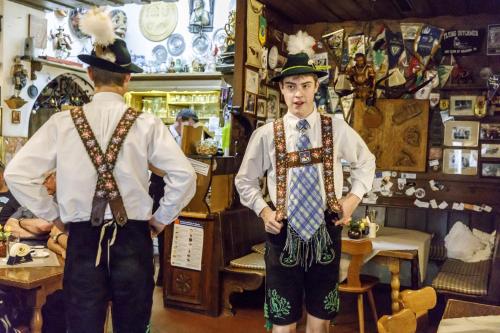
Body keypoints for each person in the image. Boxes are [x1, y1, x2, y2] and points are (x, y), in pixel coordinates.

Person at [5, 8, 196, 333]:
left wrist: (54, 216)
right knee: (132, 327)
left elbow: (16, 175)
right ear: (127, 78)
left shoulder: (63, 123)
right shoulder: (147, 124)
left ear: (91, 75)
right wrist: (161, 220)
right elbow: (185, 177)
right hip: (133, 240)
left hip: (82, 241)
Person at [235, 31, 375, 333]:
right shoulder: (265, 134)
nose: (298, 94)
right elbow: (244, 181)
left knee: (320, 322)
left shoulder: (336, 128)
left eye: (305, 86)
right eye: (290, 87)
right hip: (282, 232)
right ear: (282, 91)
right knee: (283, 323)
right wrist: (264, 212)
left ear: (315, 88)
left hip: (326, 231)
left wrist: (351, 201)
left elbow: (367, 163)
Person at [149, 108, 198, 286]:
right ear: (178, 120)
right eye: (188, 125)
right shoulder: (163, 135)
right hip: (159, 185)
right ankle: (161, 274)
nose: (189, 129)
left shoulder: (188, 139)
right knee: (160, 232)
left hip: (177, 186)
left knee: (173, 230)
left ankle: (168, 273)